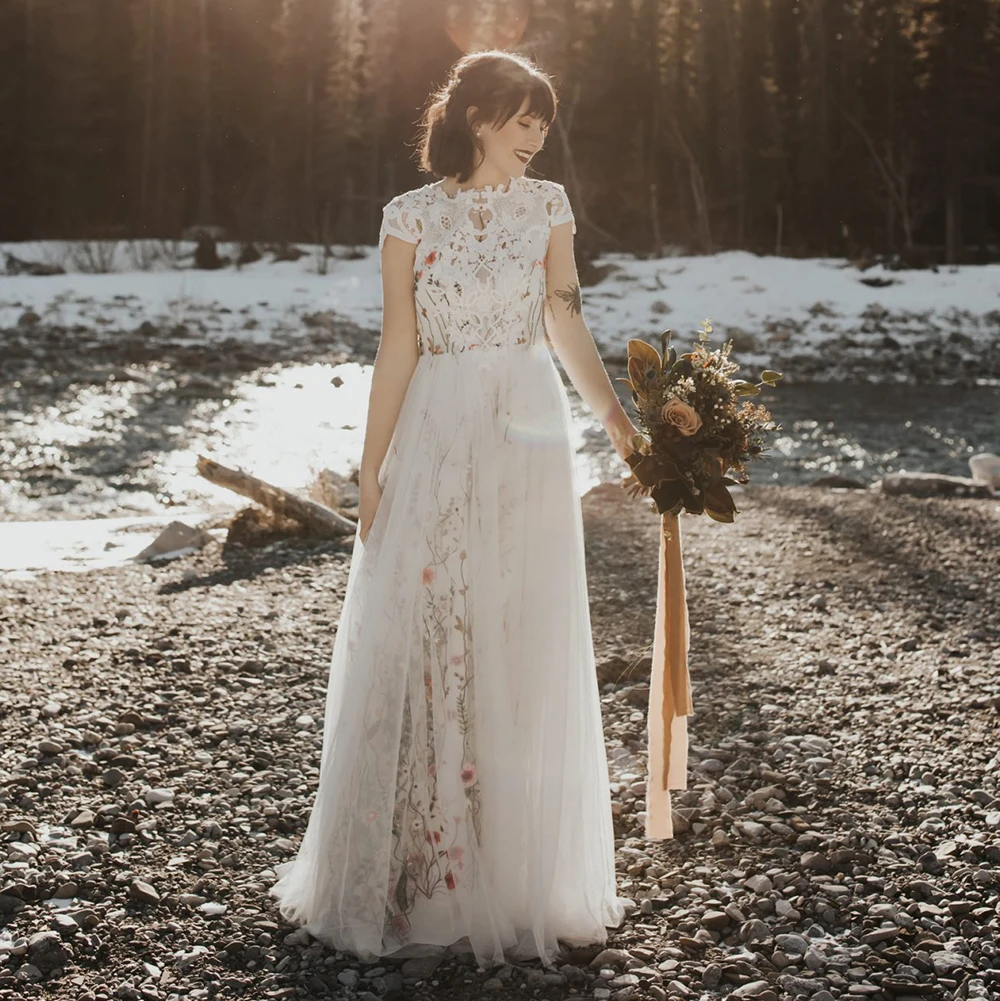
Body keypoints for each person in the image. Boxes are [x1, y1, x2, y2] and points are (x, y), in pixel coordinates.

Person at [269, 48, 638, 970]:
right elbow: (397, 345)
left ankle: (512, 873)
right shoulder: (409, 217)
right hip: (436, 428)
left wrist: (616, 419)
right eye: (523, 122)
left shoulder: (547, 207)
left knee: (519, 629)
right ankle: (424, 866)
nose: (536, 139)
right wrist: (371, 465)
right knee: (432, 628)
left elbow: (563, 319)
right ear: (478, 118)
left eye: (543, 126)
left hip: (526, 431)